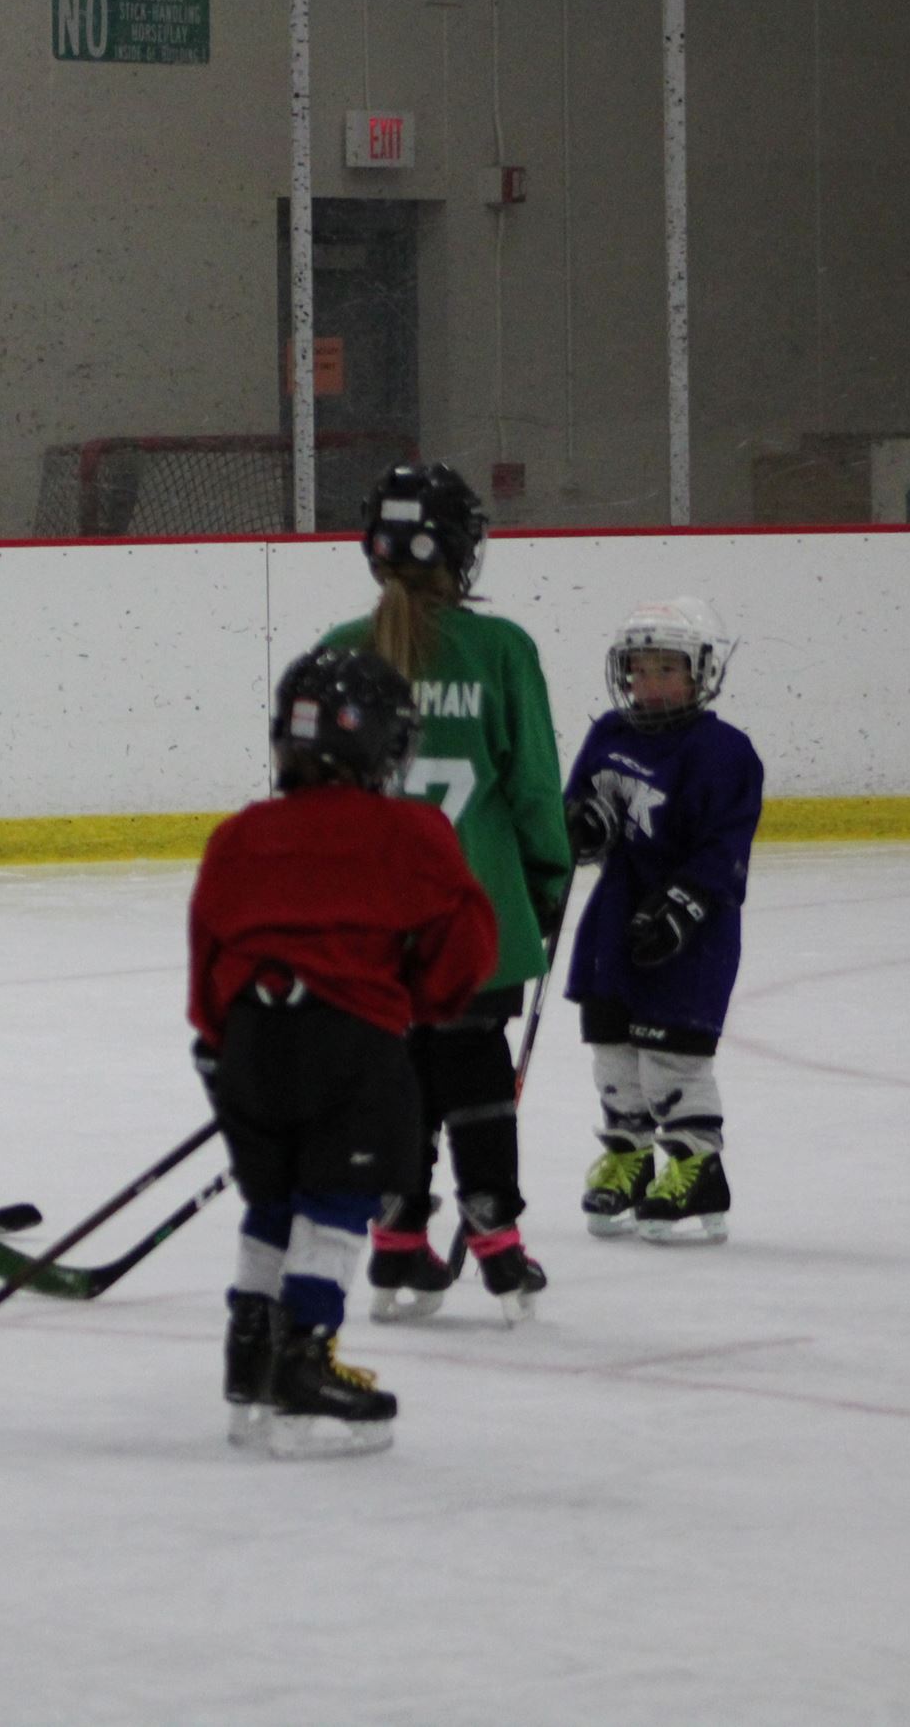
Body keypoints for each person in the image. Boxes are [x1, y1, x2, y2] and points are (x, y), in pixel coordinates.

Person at [188, 647, 499, 1459]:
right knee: (334, 1196)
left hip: (247, 1048)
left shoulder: (239, 834)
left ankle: (249, 1355)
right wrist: (416, 1002)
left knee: (273, 1195)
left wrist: (226, 1054)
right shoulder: (410, 830)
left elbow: (208, 961)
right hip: (351, 1042)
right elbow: (463, 951)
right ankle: (305, 1360)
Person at [315, 463, 572, 1322]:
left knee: (399, 1070)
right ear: (462, 550)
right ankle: (496, 1242)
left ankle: (394, 1235)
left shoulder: (339, 650)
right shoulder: (502, 650)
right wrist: (549, 878)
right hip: (478, 919)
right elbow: (535, 787)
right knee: (471, 1061)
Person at [561, 596, 763, 1243]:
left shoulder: (725, 751)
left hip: (692, 931)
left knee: (671, 1059)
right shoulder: (609, 735)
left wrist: (682, 904)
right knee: (614, 1050)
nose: (650, 685)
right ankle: (628, 1155)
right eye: (639, 671)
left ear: (701, 673)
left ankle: (695, 1166)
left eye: (666, 670)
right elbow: (583, 813)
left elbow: (724, 847)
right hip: (616, 913)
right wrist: (581, 826)